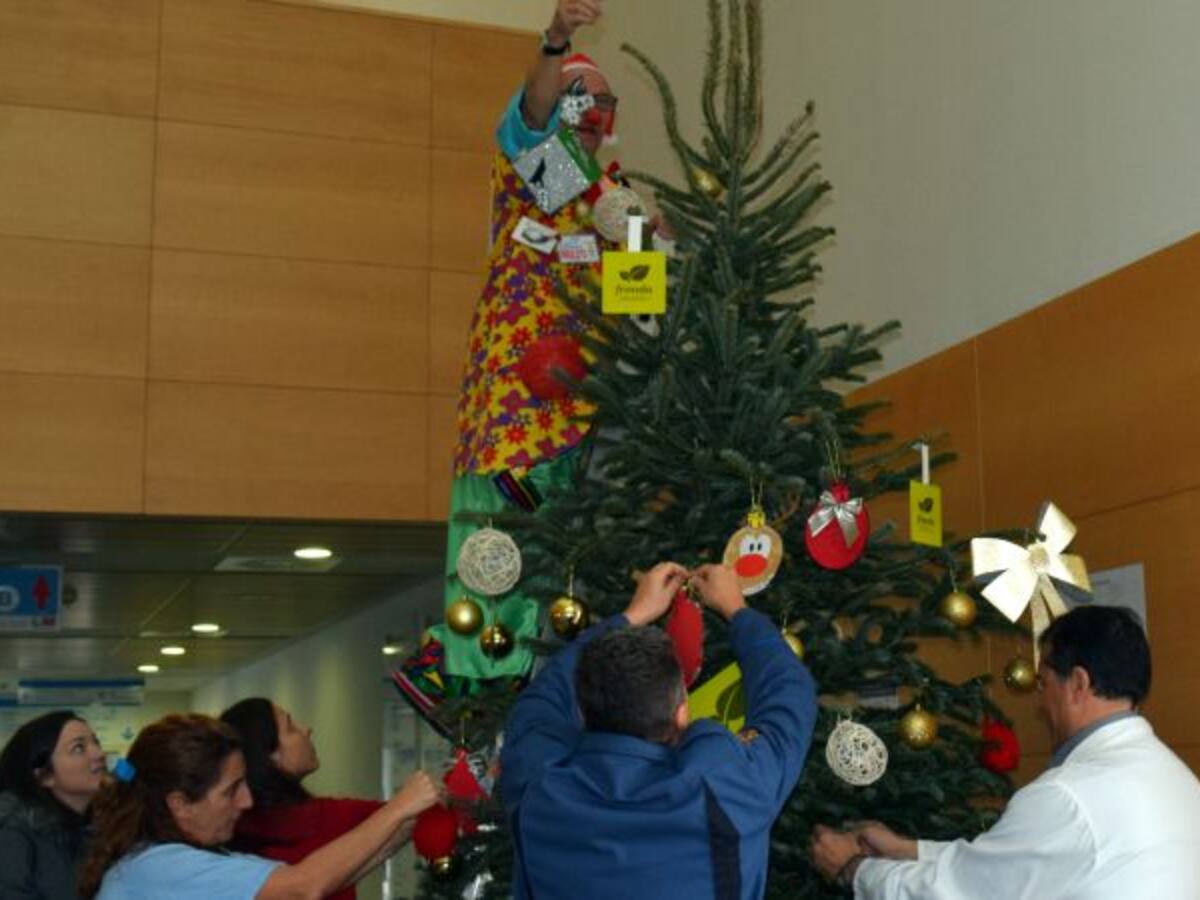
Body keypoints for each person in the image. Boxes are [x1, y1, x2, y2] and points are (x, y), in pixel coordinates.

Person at [438, 0, 659, 682]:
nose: (590, 115)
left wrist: (657, 242)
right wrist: (558, 39)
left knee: (576, 559)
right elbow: (533, 114)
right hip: (513, 424)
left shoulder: (614, 201)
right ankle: (493, 681)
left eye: (602, 104)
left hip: (589, 426)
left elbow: (644, 307)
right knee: (506, 541)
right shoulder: (534, 169)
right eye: (576, 100)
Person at [809, 604, 1200, 898]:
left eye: (1044, 683)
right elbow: (1004, 864)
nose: (1040, 704)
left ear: (1078, 684)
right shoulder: (1179, 779)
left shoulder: (1068, 797)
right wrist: (906, 850)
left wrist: (854, 868)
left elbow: (962, 892)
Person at [500, 562, 818, 899]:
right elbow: (790, 695)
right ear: (682, 715)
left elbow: (543, 698)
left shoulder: (538, 781)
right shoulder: (729, 786)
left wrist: (633, 614)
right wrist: (736, 609)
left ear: (581, 711)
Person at [77, 714, 439, 900]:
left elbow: (324, 882)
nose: (247, 801)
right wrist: (400, 807)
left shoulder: (169, 861)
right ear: (181, 805)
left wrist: (411, 817)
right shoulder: (161, 868)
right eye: (231, 790)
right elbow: (304, 887)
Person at [219, 698, 391, 900]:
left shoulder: (229, 832)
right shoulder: (326, 819)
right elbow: (406, 814)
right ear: (269, 755)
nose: (306, 730)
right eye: (290, 728)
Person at [0, 710, 106, 899]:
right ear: (44, 776)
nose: (98, 753)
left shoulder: (94, 828)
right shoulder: (13, 833)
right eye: (79, 748)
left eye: (95, 742)